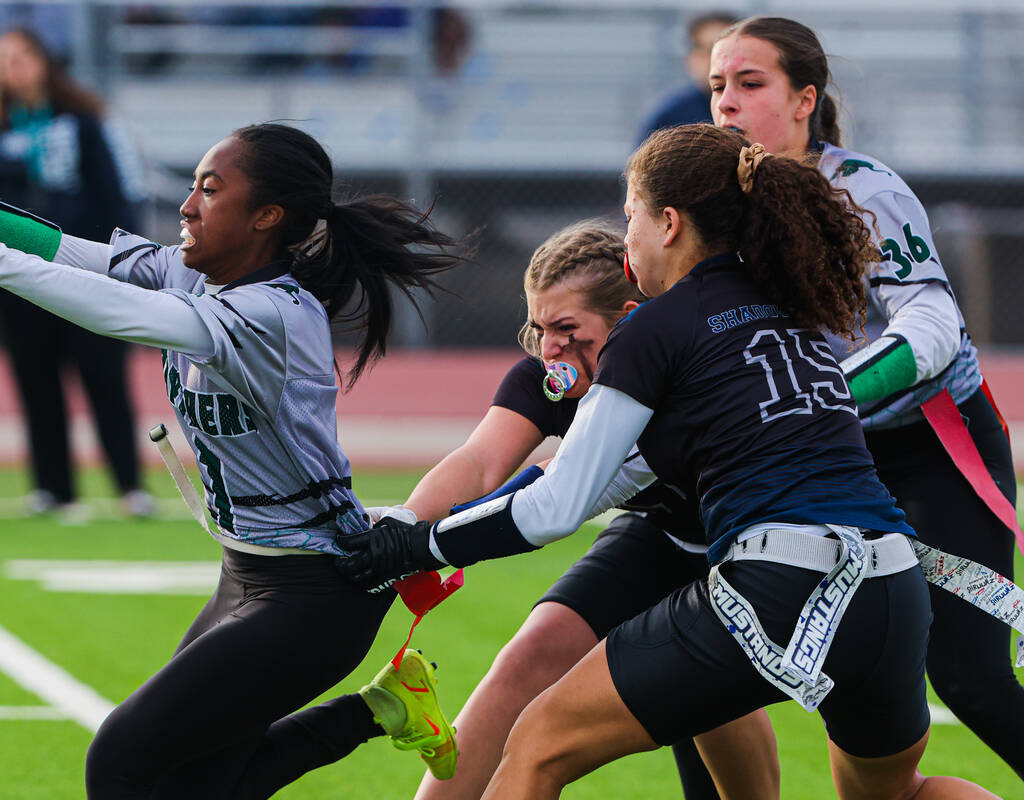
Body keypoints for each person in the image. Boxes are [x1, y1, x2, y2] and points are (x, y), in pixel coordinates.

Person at [337, 124, 1001, 799]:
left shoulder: (653, 328)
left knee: (539, 742)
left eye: (630, 216)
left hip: (777, 579)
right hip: (890, 580)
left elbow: (557, 505)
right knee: (900, 792)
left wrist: (419, 542)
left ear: (669, 223)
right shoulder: (791, 302)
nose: (624, 238)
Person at [0, 122, 464, 797]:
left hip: (317, 591)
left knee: (120, 759)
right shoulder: (197, 272)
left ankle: (381, 709)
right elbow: (72, 255)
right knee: (198, 784)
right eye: (192, 186)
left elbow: (121, 313)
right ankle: (384, 707)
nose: (187, 205)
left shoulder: (275, 311)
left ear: (266, 216)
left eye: (211, 190)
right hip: (251, 573)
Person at [709, 16, 1024, 779]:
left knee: (969, 678)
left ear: (804, 99)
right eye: (717, 86)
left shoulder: (863, 189)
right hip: (818, 465)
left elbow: (933, 321)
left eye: (750, 84)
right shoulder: (712, 206)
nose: (727, 103)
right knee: (712, 662)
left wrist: (824, 399)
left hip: (930, 445)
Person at [382, 221, 776, 800]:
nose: (550, 350)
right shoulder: (548, 379)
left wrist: (427, 541)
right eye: (540, 328)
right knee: (529, 655)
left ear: (629, 317)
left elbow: (555, 494)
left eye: (567, 330)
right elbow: (481, 462)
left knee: (711, 701)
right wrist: (403, 522)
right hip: (660, 534)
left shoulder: (681, 368)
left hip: (744, 550)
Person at [0, 26, 152, 518]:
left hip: (83, 272)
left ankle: (129, 485)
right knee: (36, 382)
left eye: (22, 55)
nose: (14, 66)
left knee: (104, 377)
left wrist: (120, 264)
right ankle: (53, 488)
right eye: (3, 58)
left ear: (44, 60)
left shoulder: (85, 122)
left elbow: (115, 194)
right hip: (19, 280)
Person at [635, 11, 738, 145]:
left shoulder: (761, 110)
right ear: (690, 57)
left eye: (726, 50)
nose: (716, 59)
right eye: (707, 50)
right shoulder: (669, 119)